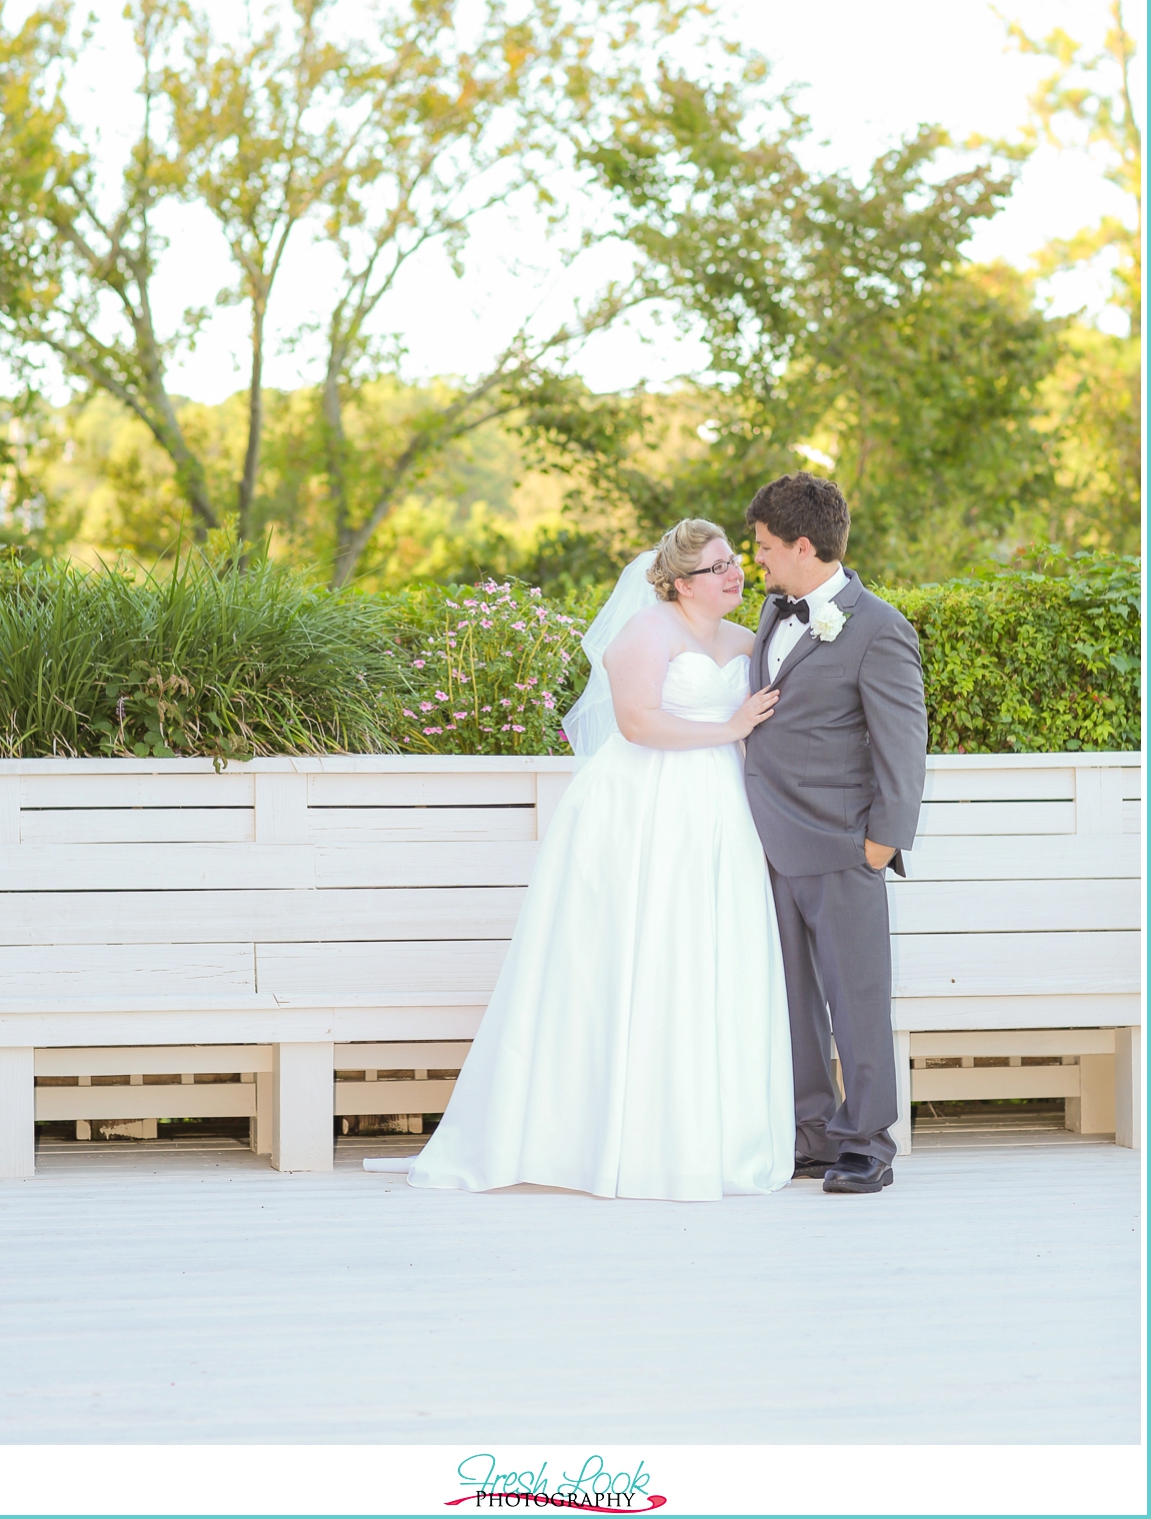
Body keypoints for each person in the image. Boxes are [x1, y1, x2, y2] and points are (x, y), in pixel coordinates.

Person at [364, 519, 795, 1201]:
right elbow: (637, 721)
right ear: (682, 582)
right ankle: (608, 1135)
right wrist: (730, 727)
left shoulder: (747, 640)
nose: (734, 573)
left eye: (734, 561)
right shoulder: (646, 633)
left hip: (719, 808)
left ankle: (709, 1135)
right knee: (636, 954)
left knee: (708, 954)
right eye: (717, 567)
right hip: (641, 808)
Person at [743, 473, 928, 1195]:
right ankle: (812, 1133)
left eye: (761, 546)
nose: (755, 559)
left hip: (843, 845)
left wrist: (882, 841)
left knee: (856, 996)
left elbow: (902, 748)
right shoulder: (772, 610)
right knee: (790, 999)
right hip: (766, 844)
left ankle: (868, 1140)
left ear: (801, 544)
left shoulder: (878, 626)